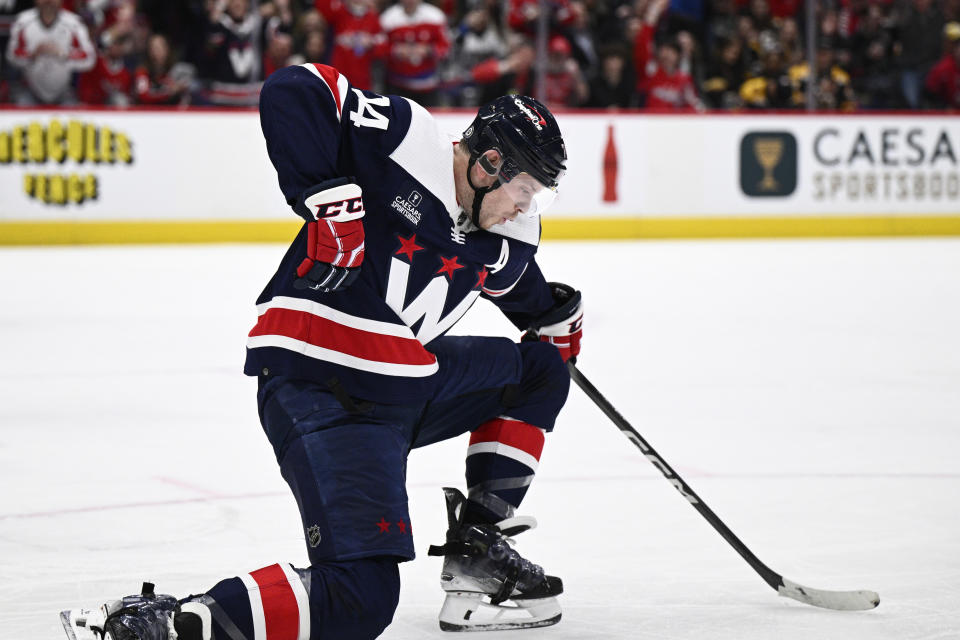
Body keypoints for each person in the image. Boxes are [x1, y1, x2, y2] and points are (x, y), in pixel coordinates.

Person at [60, 63, 582, 640]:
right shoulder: (407, 138)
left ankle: (477, 548)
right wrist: (327, 199)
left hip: (402, 385)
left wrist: (558, 314)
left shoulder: (504, 232)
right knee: (360, 596)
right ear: (488, 165)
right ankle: (172, 623)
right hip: (323, 386)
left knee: (539, 371)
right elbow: (295, 89)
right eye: (526, 190)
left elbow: (520, 286)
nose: (526, 208)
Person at [5, 0, 95, 105]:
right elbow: (11, 55)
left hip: (64, 90)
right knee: (19, 110)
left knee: (75, 114)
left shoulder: (74, 23)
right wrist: (32, 55)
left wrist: (63, 55)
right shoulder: (23, 21)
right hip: (31, 89)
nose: (48, 1)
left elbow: (89, 58)